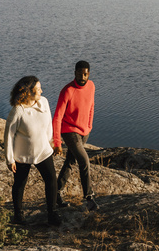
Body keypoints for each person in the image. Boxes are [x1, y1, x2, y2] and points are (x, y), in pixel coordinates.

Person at [4, 76, 61, 226]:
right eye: (38, 89)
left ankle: (52, 214)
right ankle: (18, 216)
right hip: (23, 155)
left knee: (51, 181)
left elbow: (49, 124)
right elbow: (8, 135)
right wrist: (9, 159)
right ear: (28, 92)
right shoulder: (18, 111)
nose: (42, 91)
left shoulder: (44, 102)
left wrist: (53, 143)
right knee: (20, 184)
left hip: (43, 151)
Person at [53, 60, 97, 210]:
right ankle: (89, 197)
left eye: (85, 74)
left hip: (84, 131)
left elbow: (91, 106)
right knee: (84, 161)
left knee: (70, 162)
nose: (82, 77)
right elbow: (57, 117)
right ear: (75, 73)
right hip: (69, 131)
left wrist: (89, 126)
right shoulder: (67, 91)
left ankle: (55, 193)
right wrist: (57, 142)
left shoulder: (91, 86)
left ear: (88, 74)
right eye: (79, 74)